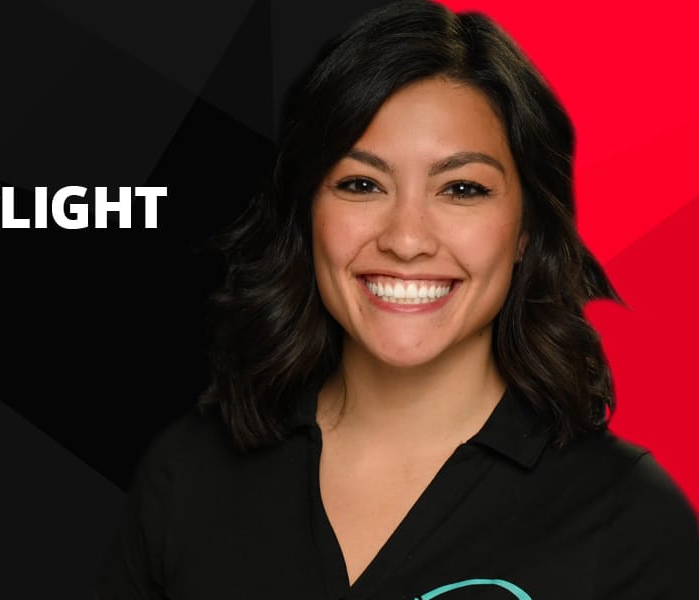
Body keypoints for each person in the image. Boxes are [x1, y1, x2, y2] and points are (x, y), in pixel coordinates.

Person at [93, 1, 699, 598]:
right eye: (361, 184)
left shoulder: (629, 516)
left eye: (462, 189)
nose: (406, 240)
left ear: (526, 231)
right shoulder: (190, 474)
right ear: (307, 215)